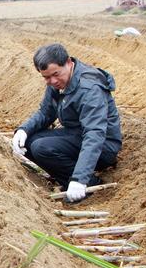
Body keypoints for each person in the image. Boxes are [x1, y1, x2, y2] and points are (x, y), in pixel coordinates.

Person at [11, 43, 122, 203]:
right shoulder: (58, 82)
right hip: (76, 134)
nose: (52, 81)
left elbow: (94, 134)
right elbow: (46, 112)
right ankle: (66, 175)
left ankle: (86, 184)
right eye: (46, 77)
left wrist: (80, 178)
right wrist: (23, 130)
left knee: (41, 148)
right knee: (27, 141)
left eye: (56, 74)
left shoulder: (89, 89)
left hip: (103, 146)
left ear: (69, 63)